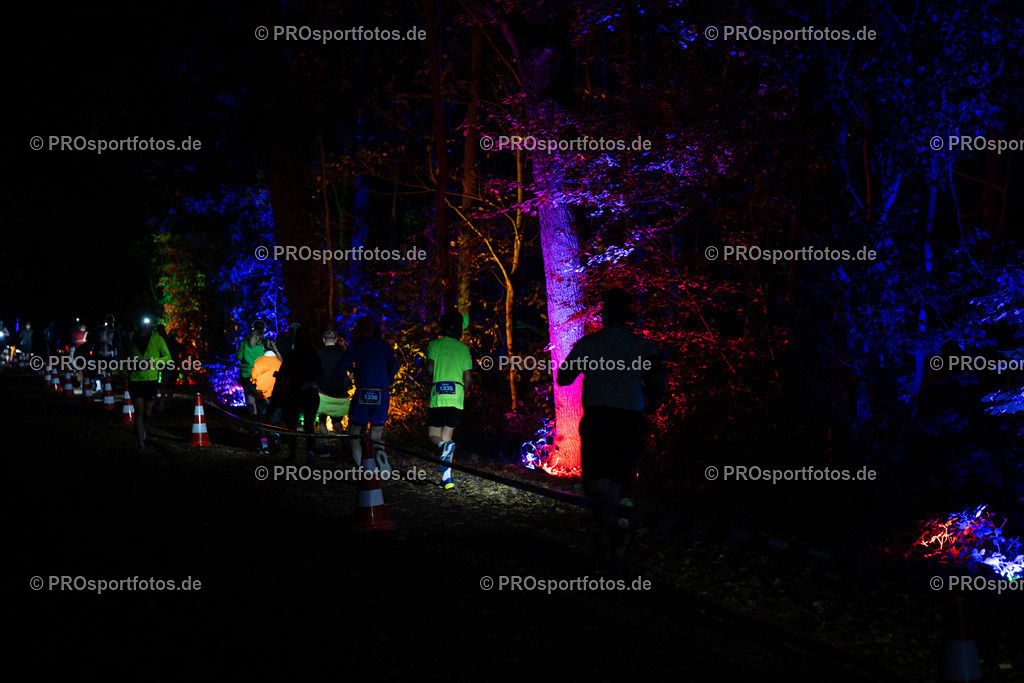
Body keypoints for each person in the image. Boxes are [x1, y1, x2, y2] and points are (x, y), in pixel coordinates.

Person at [556, 288, 666, 574]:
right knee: (616, 487)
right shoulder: (644, 346)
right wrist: (648, 405)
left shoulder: (589, 343)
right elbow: (659, 382)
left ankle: (615, 535)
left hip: (600, 419)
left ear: (604, 315)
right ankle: (610, 548)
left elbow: (564, 377)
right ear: (629, 316)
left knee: (596, 489)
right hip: (632, 421)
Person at [337, 316, 399, 471]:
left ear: (360, 329)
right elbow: (395, 367)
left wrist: (346, 380)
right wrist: (387, 381)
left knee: (355, 434)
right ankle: (380, 455)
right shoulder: (384, 345)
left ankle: (363, 471)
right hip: (382, 393)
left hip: (363, 392)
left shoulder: (356, 346)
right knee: (376, 434)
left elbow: (339, 369)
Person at [425, 312, 473, 490]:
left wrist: (427, 371)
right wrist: (462, 391)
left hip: (439, 394)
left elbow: (430, 369)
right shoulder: (463, 348)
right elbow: (468, 378)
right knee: (448, 438)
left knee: (433, 436)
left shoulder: (434, 345)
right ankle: (447, 480)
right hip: (457, 395)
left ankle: (444, 448)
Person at [122, 316, 172, 453]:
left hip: (151, 381)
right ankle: (141, 444)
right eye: (141, 323)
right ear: (136, 325)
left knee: (148, 413)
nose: (144, 326)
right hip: (135, 380)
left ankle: (141, 429)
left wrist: (153, 362)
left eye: (147, 324)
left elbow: (168, 358)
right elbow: (122, 359)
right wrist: (129, 367)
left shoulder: (157, 339)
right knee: (139, 412)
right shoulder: (128, 339)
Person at [274, 327, 321, 460]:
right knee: (309, 424)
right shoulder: (313, 354)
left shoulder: (291, 354)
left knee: (291, 424)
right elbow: (319, 373)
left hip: (293, 391)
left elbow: (283, 371)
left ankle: (292, 451)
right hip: (310, 390)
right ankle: (310, 451)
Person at [316, 329, 351, 457]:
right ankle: (345, 439)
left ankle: (327, 449)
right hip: (339, 392)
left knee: (322, 421)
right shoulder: (343, 353)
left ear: (324, 340)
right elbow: (351, 372)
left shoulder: (319, 354)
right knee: (337, 423)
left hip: (323, 392)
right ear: (336, 340)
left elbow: (316, 373)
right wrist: (347, 381)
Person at [251, 338, 283, 455]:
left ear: (263, 347)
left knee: (262, 422)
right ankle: (275, 442)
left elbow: (253, 378)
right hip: (277, 395)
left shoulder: (259, 361)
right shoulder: (280, 361)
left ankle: (264, 447)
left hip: (262, 395)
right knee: (275, 422)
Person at [237, 320, 266, 421]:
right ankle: (262, 425)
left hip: (247, 375)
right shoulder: (264, 343)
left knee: (250, 400)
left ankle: (253, 422)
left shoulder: (244, 342)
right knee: (261, 401)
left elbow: (239, 356)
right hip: (261, 376)